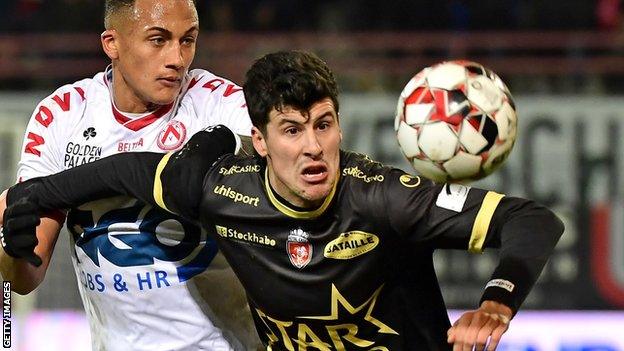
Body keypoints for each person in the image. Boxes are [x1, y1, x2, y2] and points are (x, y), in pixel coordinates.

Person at [1, 50, 564, 350]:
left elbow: (530, 221)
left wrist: (497, 302)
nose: (315, 148)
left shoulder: (386, 199)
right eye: (293, 130)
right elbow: (123, 171)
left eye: (325, 125)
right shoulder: (222, 188)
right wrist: (29, 197)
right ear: (261, 141)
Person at [0, 0, 262, 350]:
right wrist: (10, 248)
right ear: (112, 44)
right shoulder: (62, 115)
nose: (178, 59)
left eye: (188, 40)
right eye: (158, 40)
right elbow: (24, 278)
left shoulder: (218, 104)